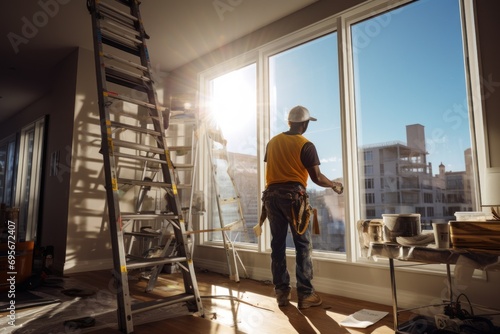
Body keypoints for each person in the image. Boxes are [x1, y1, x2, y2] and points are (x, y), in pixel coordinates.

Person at [262, 105, 343, 309]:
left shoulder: (272, 142)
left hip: (271, 197)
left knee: (278, 245)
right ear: (305, 124)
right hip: (293, 198)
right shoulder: (306, 144)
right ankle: (306, 294)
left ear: (289, 122)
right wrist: (335, 184)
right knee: (302, 245)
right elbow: (316, 178)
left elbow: (273, 167)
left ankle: (281, 293)